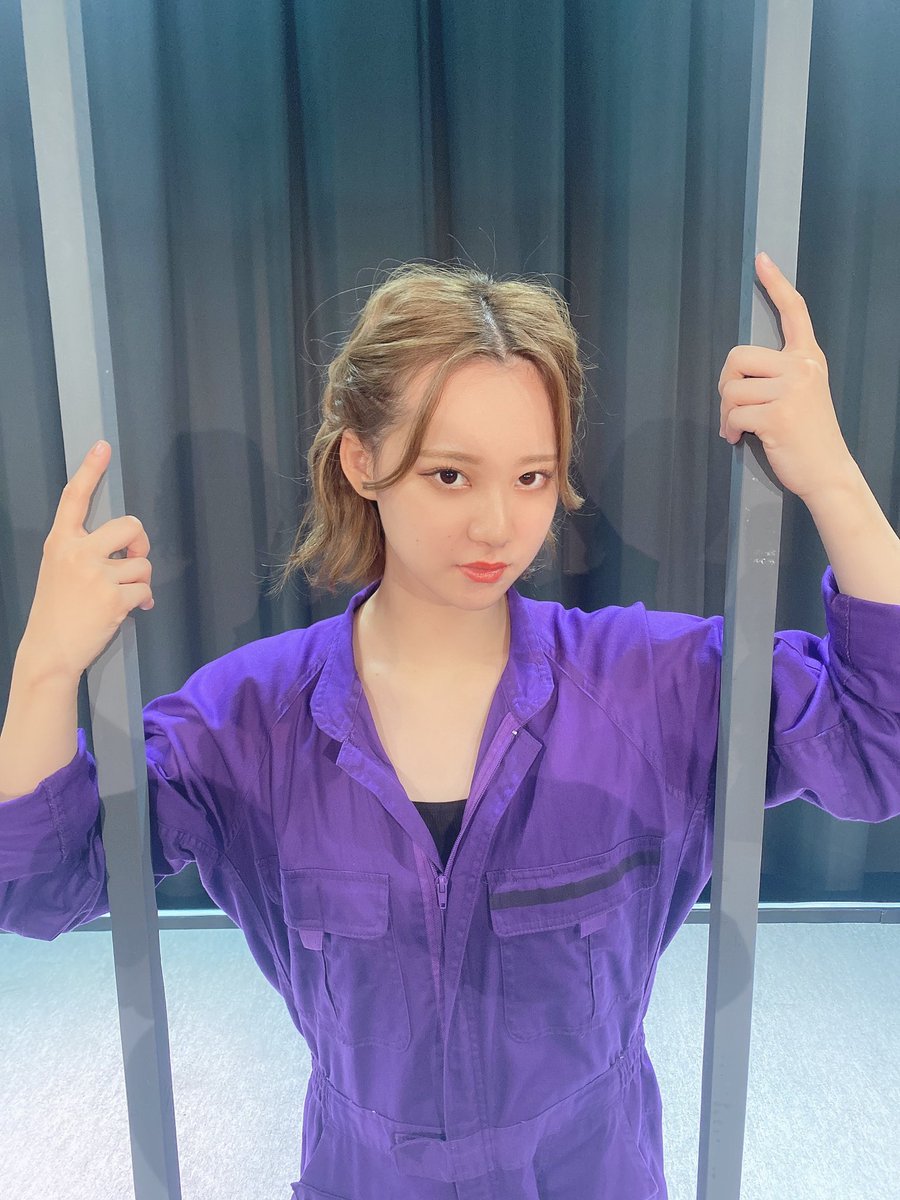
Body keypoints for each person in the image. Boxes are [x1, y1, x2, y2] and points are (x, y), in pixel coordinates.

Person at [1, 258, 899, 1200]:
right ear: (361, 461)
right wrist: (46, 665)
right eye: (450, 475)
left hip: (589, 1174)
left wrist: (830, 476)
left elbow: (876, 745)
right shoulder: (250, 721)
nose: (498, 525)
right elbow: (38, 887)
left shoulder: (649, 686)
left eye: (532, 476)